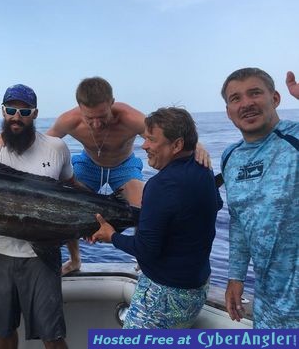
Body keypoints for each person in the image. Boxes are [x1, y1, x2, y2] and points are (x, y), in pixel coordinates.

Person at [47, 77, 212, 274]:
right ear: (79, 108)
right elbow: (42, 144)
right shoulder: (68, 120)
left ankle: (143, 260)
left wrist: (195, 145)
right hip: (88, 164)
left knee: (144, 205)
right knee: (69, 205)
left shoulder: (130, 118)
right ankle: (75, 260)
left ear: (112, 103)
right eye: (89, 118)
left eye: (102, 116)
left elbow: (168, 134)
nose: (97, 124)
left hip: (123, 165)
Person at [91, 107, 222, 329]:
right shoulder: (203, 170)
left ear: (177, 145)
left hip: (163, 297)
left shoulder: (160, 185)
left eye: (151, 139)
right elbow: (199, 211)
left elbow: (146, 249)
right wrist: (137, 215)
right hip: (196, 289)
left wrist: (111, 235)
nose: (144, 145)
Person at [0, 84, 76, 349]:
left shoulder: (56, 148)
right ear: (2, 112)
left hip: (43, 256)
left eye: (24, 111)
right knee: (3, 331)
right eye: (11, 110)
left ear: (34, 114)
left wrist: (107, 210)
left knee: (53, 335)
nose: (16, 116)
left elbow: (71, 196)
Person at [220, 68, 298, 329]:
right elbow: (239, 221)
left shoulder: (295, 138)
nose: (246, 104)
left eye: (255, 93)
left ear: (275, 98)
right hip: (269, 304)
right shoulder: (231, 157)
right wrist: (235, 277)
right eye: (236, 98)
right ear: (228, 111)